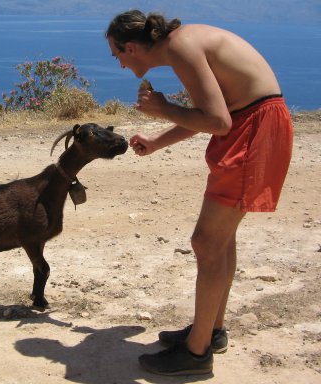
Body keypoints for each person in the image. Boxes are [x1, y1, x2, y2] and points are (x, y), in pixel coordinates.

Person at [106, 10, 293, 376]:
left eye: (118, 57)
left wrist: (164, 110)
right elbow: (212, 114)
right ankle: (212, 331)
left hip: (252, 130)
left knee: (207, 243)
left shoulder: (182, 47)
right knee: (219, 242)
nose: (121, 66)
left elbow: (219, 122)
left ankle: (196, 354)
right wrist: (159, 141)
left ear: (131, 47)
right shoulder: (183, 43)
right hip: (251, 123)